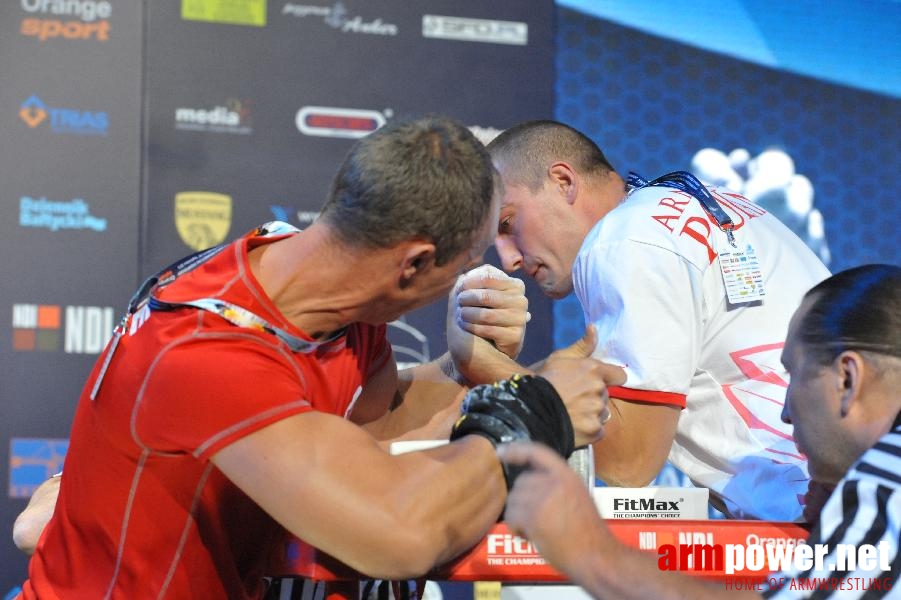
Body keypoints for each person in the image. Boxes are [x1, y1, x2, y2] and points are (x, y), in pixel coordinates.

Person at [18, 115, 624, 599]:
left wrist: (461, 369)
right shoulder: (208, 350)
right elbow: (397, 535)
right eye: (464, 264)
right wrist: (537, 408)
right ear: (412, 263)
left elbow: (371, 430)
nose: (490, 269)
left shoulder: (326, 299)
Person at [484, 120, 832, 521]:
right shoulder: (715, 204)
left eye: (508, 224)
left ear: (563, 181)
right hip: (865, 493)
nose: (508, 259)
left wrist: (485, 366)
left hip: (829, 517)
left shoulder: (622, 240)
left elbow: (627, 463)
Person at [499, 264, 901, 599]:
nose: (785, 414)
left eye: (793, 375)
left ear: (847, 379)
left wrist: (588, 549)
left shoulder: (887, 484)